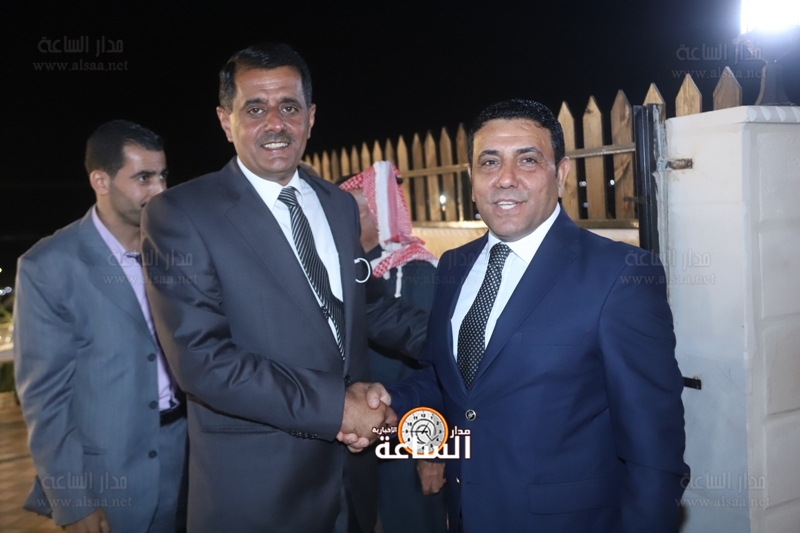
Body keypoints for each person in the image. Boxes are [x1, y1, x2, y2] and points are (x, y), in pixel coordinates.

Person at [367, 99, 688, 532]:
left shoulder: (620, 275)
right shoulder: (455, 265)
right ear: (472, 180)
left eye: (528, 160)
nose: (505, 178)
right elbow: (447, 384)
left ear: (562, 174)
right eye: (489, 162)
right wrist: (388, 402)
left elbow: (654, 450)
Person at [140, 43, 414, 533]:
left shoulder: (337, 206)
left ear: (311, 117)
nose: (275, 124)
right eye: (255, 109)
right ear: (225, 121)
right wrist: (338, 408)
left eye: (289, 107)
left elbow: (367, 309)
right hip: (257, 495)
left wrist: (472, 334)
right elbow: (202, 361)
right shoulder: (179, 215)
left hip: (352, 483)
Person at [13, 120, 186, 533]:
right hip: (110, 478)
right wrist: (73, 501)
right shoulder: (48, 267)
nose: (159, 190)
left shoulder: (177, 248)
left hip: (191, 464)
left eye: (163, 176)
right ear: (100, 181)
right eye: (143, 178)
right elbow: (44, 400)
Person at [339, 162, 447, 533]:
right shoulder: (350, 269)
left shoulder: (418, 271)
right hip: (357, 436)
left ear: (377, 215)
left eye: (351, 212)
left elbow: (437, 366)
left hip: (408, 439)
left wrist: (434, 451)